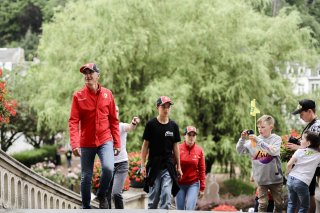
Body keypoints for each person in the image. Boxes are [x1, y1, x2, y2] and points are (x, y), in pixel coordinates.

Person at [68, 62, 120, 209]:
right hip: (86, 142)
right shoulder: (78, 96)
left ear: (98, 75)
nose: (87, 75)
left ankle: (102, 194)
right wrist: (75, 143)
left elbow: (114, 121)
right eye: (85, 73)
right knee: (86, 177)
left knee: (109, 168)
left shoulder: (107, 94)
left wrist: (117, 143)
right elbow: (73, 121)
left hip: (105, 139)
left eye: (90, 72)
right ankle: (86, 207)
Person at [140, 96, 182, 209]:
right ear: (157, 107)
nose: (166, 109)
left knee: (167, 196)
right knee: (153, 200)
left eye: (168, 107)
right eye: (163, 106)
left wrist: (179, 167)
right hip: (154, 166)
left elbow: (176, 148)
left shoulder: (174, 126)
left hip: (168, 166)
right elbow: (145, 146)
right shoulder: (151, 125)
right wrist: (142, 165)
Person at [236, 115, 283, 213]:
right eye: (258, 127)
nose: (260, 129)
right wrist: (242, 139)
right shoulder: (253, 142)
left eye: (263, 127)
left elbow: (273, 151)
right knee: (262, 204)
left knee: (279, 204)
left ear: (271, 127)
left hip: (275, 179)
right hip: (261, 179)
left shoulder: (276, 139)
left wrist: (259, 141)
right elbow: (240, 151)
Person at [286, 99, 320, 213]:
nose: (300, 117)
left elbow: (316, 149)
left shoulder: (316, 126)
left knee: (310, 196)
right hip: (310, 167)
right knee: (308, 195)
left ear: (310, 111)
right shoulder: (311, 125)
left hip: (314, 167)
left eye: (302, 114)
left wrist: (298, 148)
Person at [107, 105, 140, 209]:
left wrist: (134, 123)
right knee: (105, 195)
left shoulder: (121, 126)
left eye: (117, 111)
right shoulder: (104, 129)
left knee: (116, 193)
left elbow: (130, 127)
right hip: (108, 164)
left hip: (121, 164)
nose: (116, 113)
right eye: (113, 111)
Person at [176, 126, 206, 210]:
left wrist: (202, 188)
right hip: (180, 183)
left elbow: (202, 170)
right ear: (185, 136)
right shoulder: (178, 148)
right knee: (180, 209)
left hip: (193, 184)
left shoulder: (199, 150)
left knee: (189, 208)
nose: (191, 137)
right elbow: (171, 165)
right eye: (189, 135)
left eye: (194, 135)